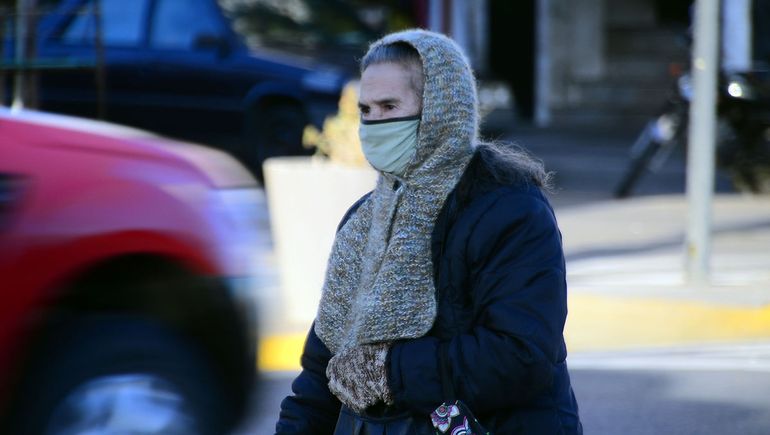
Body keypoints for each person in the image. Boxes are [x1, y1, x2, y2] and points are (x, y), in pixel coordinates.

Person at [275, 29, 582, 434]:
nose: (374, 124)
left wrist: (390, 372)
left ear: (441, 109)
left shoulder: (511, 211)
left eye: (389, 106)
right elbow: (322, 371)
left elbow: (520, 356)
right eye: (366, 110)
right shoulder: (364, 221)